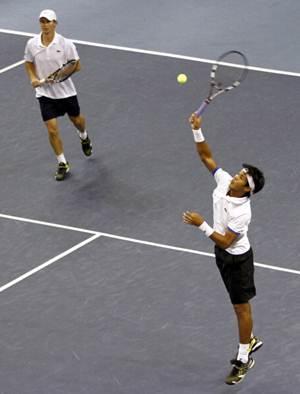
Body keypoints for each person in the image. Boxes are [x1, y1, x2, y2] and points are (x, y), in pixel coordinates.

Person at [182, 113, 265, 385]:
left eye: (243, 177)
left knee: (241, 309)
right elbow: (206, 157)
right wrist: (198, 130)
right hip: (221, 256)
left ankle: (243, 358)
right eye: (240, 172)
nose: (237, 175)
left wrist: (201, 224)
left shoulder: (243, 213)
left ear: (246, 190)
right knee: (236, 305)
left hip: (237, 259)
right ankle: (249, 340)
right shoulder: (224, 182)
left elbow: (227, 241)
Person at [24, 9, 92, 181]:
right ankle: (62, 163)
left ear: (55, 23)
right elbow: (28, 62)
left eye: (48, 21)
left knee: (77, 121)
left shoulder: (66, 44)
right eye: (42, 21)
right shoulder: (32, 44)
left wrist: (60, 77)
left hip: (66, 92)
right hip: (44, 93)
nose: (44, 25)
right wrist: (33, 77)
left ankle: (84, 136)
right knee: (52, 129)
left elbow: (77, 65)